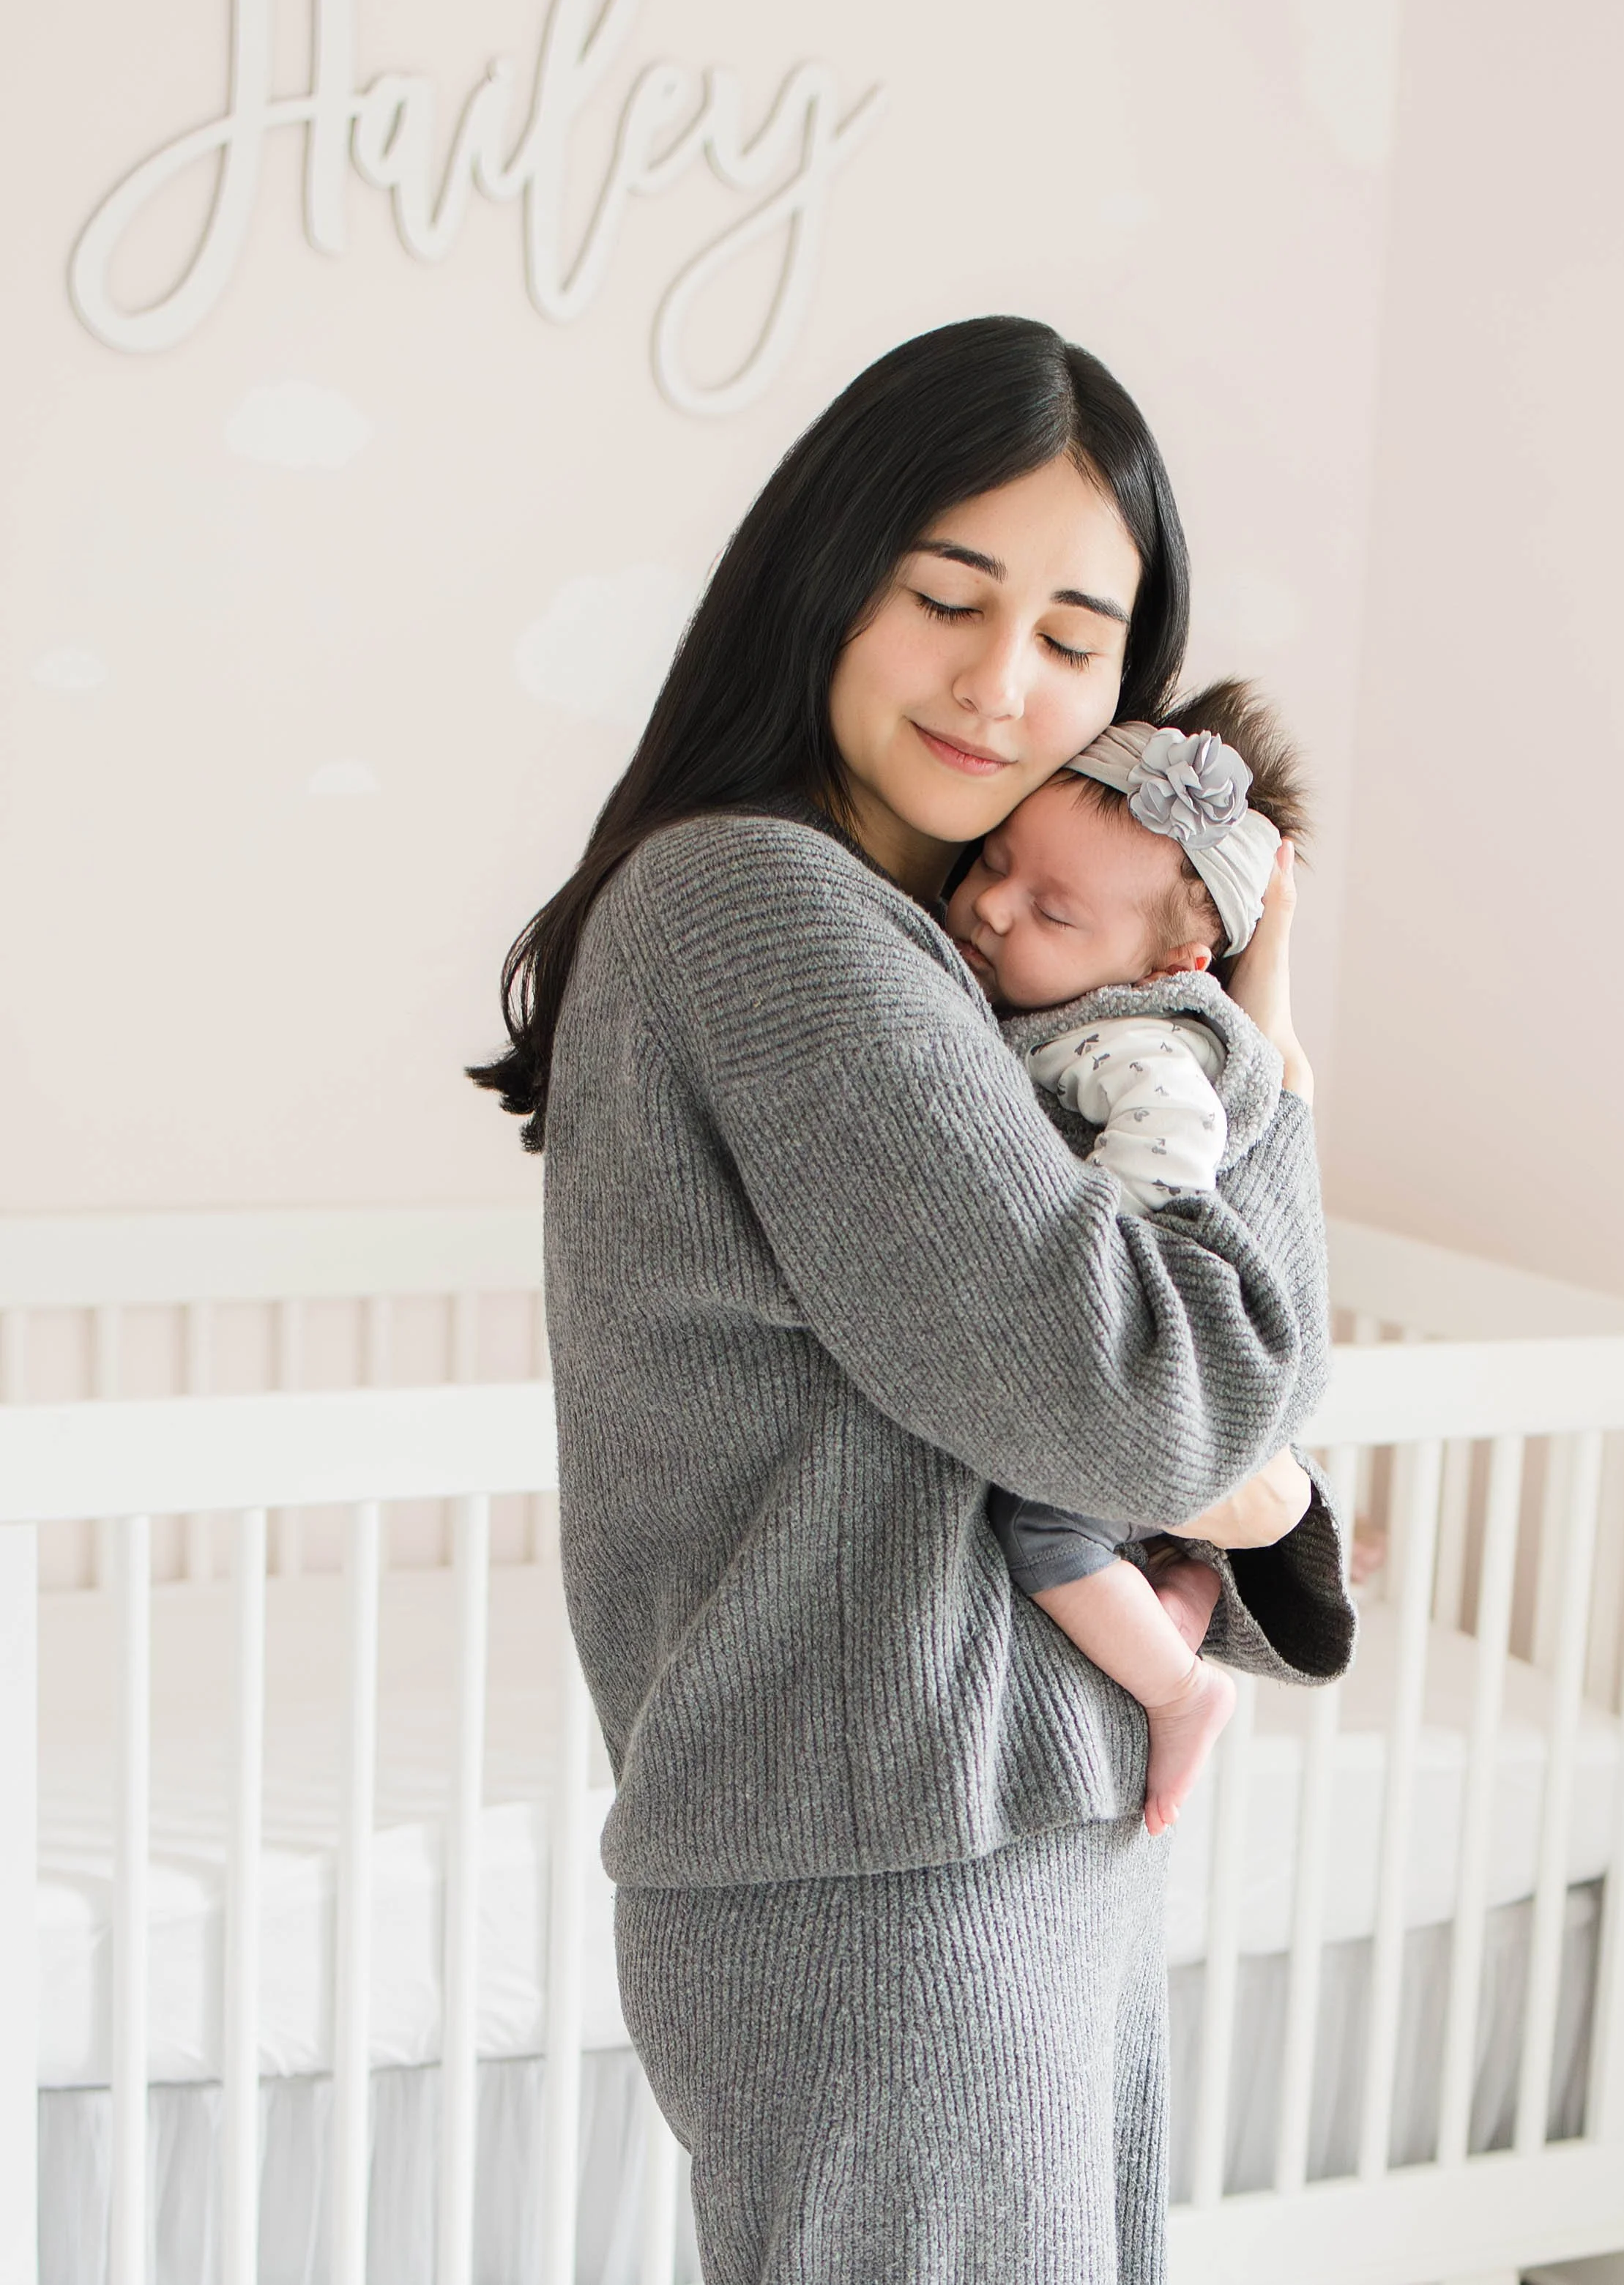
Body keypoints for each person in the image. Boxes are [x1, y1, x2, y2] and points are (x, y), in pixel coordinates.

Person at [470, 317, 1355, 2284]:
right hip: (890, 1866)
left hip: (975, 1831)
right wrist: (1262, 1048)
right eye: (947, 595)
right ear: (825, 576)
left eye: (1073, 634)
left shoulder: (971, 978)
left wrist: (1248, 1464)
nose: (1001, 680)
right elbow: (1176, 1407)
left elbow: (1168, 1380)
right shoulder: (769, 915)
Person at [945, 681, 1319, 1835]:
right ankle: (1185, 1586)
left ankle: (1180, 1686)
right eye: (996, 858)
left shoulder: (1132, 1040)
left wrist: (1076, 1253)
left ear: (1166, 964)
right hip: (1157, 1416)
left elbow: (1175, 1146)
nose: (996, 906)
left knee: (1040, 1526)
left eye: (1054, 913)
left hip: (1127, 1355)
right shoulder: (1054, 1006)